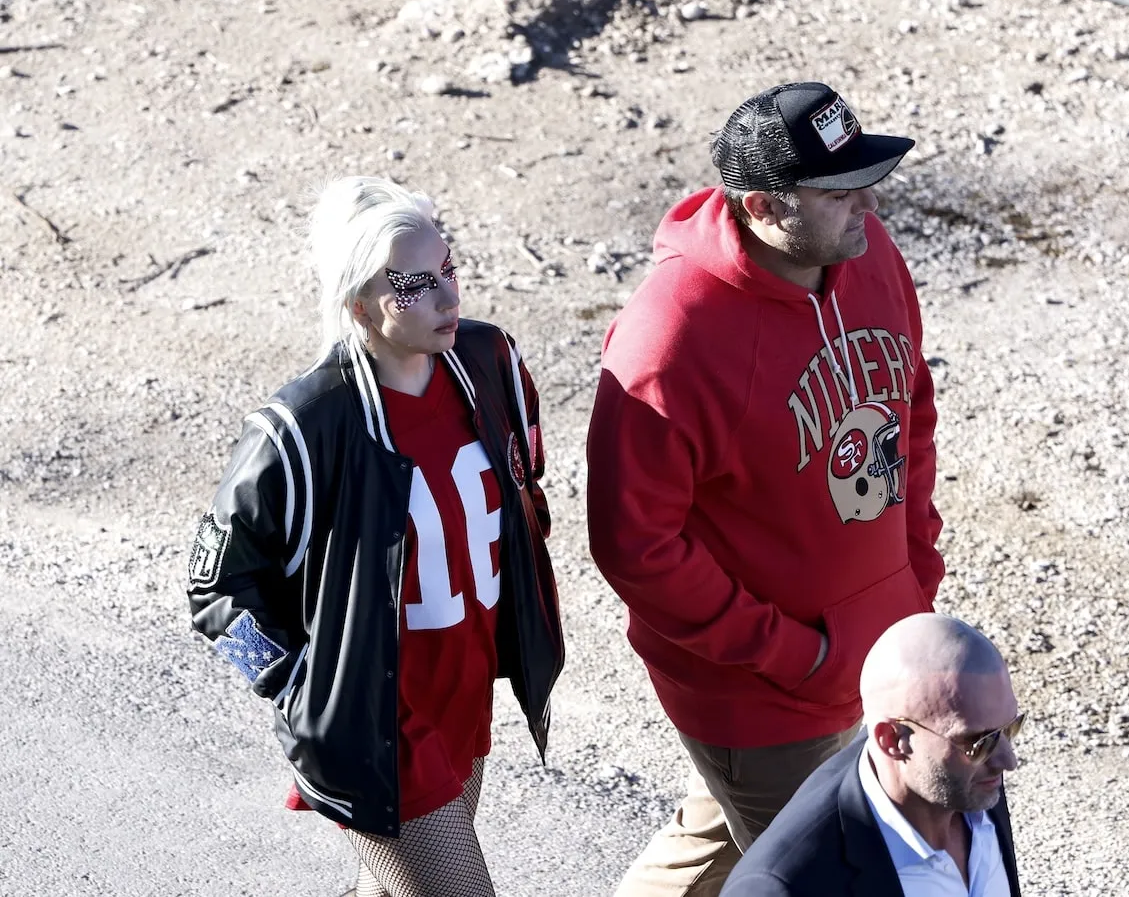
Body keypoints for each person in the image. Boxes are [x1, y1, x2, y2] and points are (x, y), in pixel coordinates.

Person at [587, 81, 945, 895]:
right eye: (840, 190)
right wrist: (797, 655)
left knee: (718, 837)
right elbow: (635, 548)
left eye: (866, 178)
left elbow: (909, 408)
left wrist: (914, 574)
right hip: (754, 692)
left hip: (869, 646)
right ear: (763, 206)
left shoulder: (867, 253)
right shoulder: (670, 340)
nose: (868, 202)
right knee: (834, 879)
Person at [186, 176, 564, 897]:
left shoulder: (490, 364)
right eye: (416, 285)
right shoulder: (306, 423)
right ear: (358, 304)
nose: (449, 298)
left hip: (465, 688)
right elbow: (214, 588)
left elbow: (524, 488)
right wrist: (302, 687)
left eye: (448, 270)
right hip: (378, 725)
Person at [721, 613, 1023, 896]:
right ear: (892, 740)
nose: (1007, 762)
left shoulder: (971, 775)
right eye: (979, 742)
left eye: (1010, 728)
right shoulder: (786, 886)